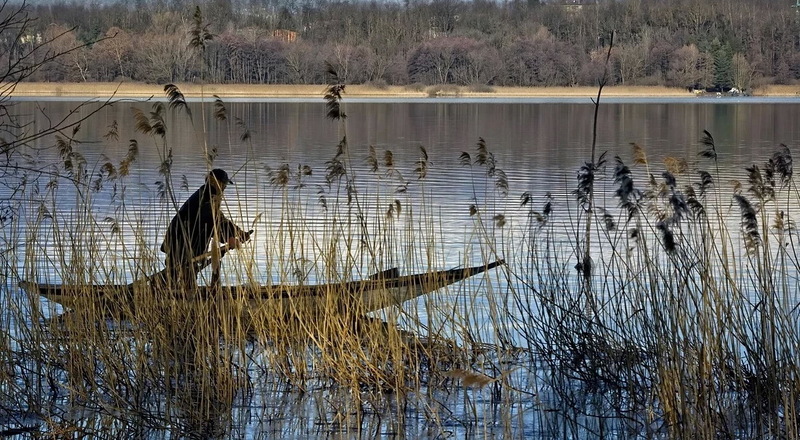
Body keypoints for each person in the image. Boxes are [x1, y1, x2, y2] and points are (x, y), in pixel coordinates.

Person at [161, 169, 250, 289]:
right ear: (216, 182)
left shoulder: (206, 194)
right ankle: (177, 299)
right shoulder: (206, 197)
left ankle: (169, 294)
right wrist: (230, 237)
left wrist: (238, 232)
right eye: (223, 184)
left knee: (179, 274)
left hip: (182, 242)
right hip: (183, 243)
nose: (224, 188)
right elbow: (212, 220)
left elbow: (218, 218)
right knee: (182, 273)